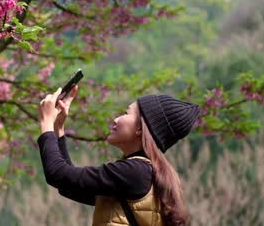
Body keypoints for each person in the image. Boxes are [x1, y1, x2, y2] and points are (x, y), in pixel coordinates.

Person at [37, 85, 201, 226]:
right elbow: (68, 185)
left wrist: (46, 123)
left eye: (126, 113)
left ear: (140, 128)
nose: (116, 119)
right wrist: (58, 127)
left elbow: (56, 174)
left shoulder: (135, 172)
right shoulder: (142, 173)